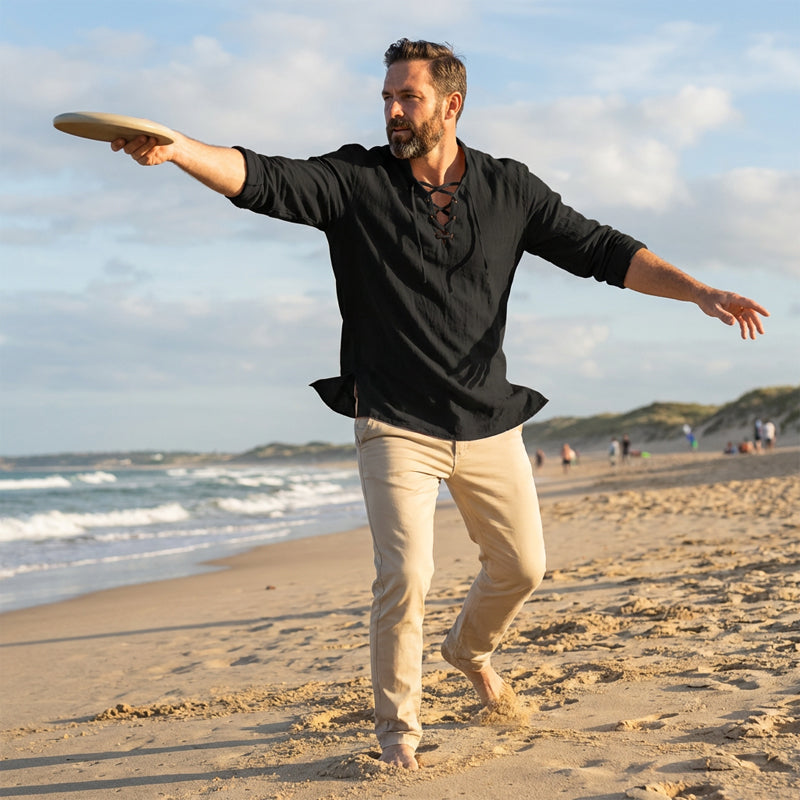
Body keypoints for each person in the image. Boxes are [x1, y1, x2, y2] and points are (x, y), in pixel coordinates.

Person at [111, 38, 769, 769]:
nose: (393, 111)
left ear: (451, 105)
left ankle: (468, 650)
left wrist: (699, 291)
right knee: (406, 576)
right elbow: (265, 179)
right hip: (394, 421)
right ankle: (399, 735)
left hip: (487, 418)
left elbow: (602, 250)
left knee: (522, 568)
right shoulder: (357, 180)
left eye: (408, 97)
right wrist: (179, 148)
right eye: (387, 98)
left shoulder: (510, 188)